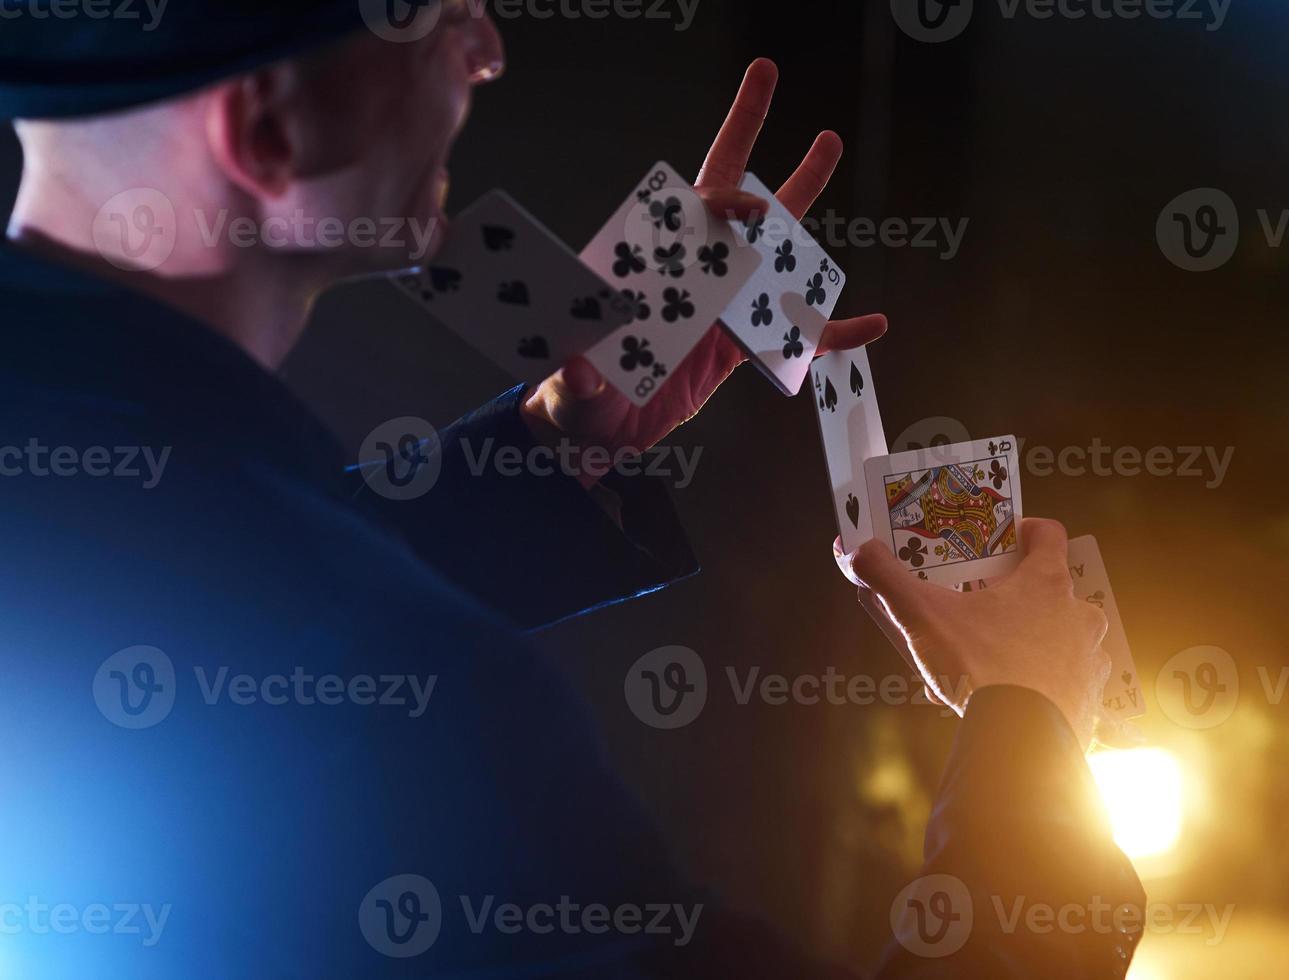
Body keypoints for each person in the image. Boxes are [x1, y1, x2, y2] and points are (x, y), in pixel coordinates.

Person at [0, 2, 1144, 976]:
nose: (487, 49)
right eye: (439, 19)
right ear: (268, 126)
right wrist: (1031, 727)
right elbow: (309, 644)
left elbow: (218, 564)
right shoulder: (424, 699)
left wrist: (553, 445)